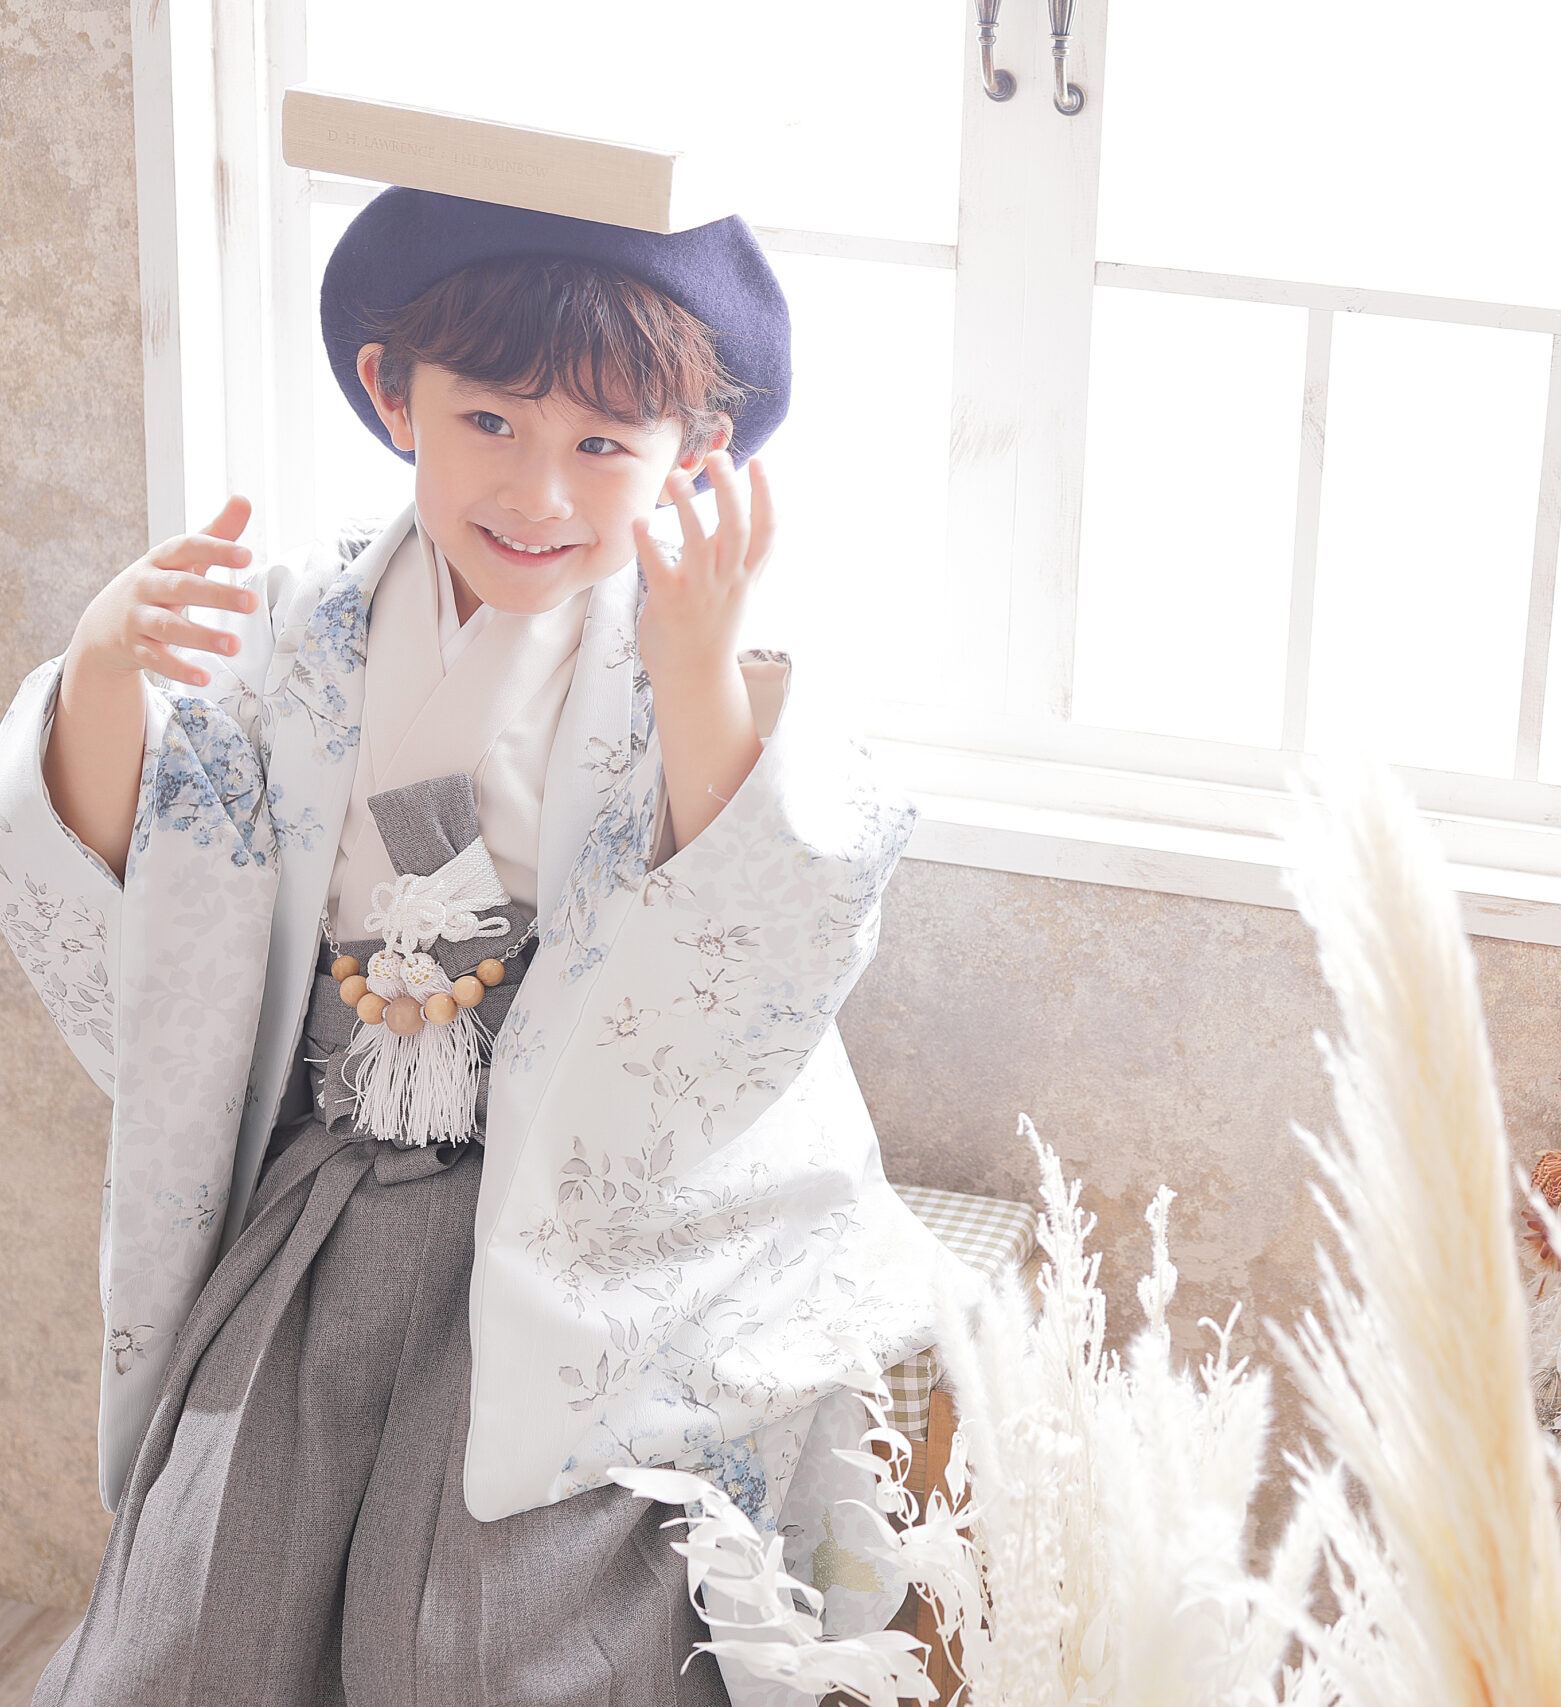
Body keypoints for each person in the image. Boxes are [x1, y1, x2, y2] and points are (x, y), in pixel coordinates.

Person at [3, 185, 962, 1706]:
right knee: (206, 1607)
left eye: (605, 445)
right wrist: (108, 672)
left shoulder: (698, 656)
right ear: (395, 396)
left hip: (573, 1214)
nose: (539, 491)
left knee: (489, 1637)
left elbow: (747, 946)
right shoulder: (298, 628)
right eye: (491, 421)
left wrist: (698, 674)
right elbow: (155, 870)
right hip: (330, 1194)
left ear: (694, 455)